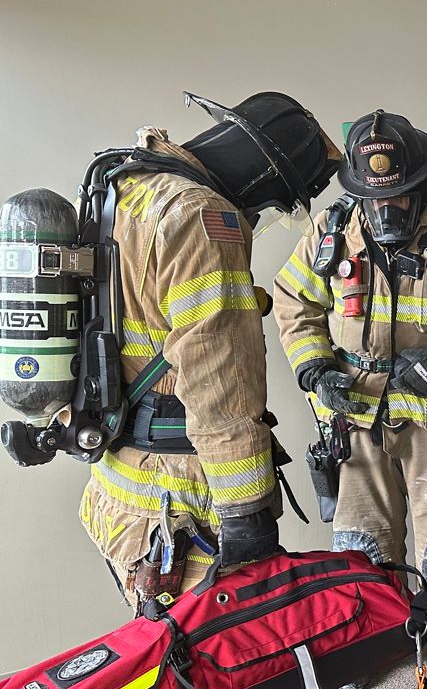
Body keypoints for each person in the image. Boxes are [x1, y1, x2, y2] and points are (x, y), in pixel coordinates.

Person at [272, 109, 427, 688]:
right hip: (355, 419)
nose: (386, 210)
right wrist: (314, 369)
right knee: (360, 548)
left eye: (400, 196)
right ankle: (369, 642)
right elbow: (293, 303)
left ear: (419, 183)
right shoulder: (332, 228)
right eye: (373, 197)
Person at [78, 92, 342, 607]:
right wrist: (246, 512)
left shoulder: (129, 184)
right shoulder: (202, 216)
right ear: (264, 175)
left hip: (122, 481)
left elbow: (145, 311)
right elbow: (217, 377)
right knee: (216, 655)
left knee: (161, 649)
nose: (262, 214)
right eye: (273, 201)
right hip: (181, 504)